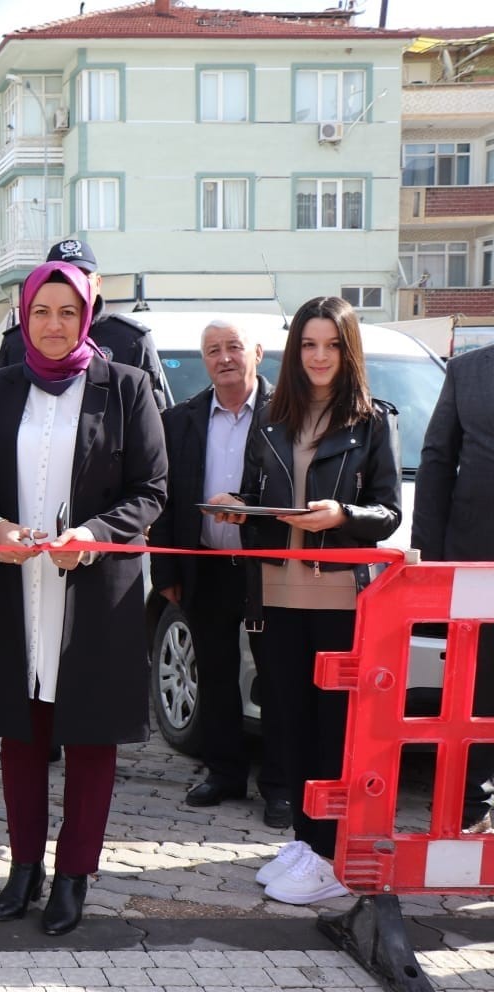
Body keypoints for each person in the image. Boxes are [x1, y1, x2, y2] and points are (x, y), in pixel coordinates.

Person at [0, 260, 166, 937]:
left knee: (89, 737)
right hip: (15, 584)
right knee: (22, 735)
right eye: (41, 312)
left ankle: (74, 875)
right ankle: (24, 868)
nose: (53, 325)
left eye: (67, 312)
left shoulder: (126, 387)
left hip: (95, 589)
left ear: (87, 316)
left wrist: (94, 534)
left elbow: (152, 489)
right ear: (23, 316)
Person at [209, 296, 400, 905]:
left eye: (332, 345)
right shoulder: (273, 417)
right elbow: (263, 495)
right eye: (309, 345)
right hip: (274, 592)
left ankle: (329, 853)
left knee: (332, 727)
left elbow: (389, 513)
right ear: (295, 351)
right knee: (286, 721)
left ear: (349, 351)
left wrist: (343, 514)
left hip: (341, 597)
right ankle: (304, 837)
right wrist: (238, 507)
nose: (320, 356)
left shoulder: (372, 420)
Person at [150, 319, 289, 828]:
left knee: (276, 680)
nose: (224, 358)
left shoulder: (287, 416)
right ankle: (224, 772)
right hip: (204, 568)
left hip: (267, 572)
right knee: (213, 675)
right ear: (203, 359)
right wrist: (164, 569)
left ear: (256, 351)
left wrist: (248, 506)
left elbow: (289, 493)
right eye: (213, 350)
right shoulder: (180, 419)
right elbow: (162, 500)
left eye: (234, 347)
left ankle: (279, 786)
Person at [412, 342, 494, 831]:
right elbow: (437, 462)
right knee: (478, 689)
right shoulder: (467, 371)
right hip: (475, 560)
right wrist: (429, 562)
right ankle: (470, 813)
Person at [0, 239, 167, 409]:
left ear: (98, 283)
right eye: (64, 277)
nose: (73, 283)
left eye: (82, 275)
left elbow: (153, 412)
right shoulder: (17, 342)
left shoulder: (131, 339)